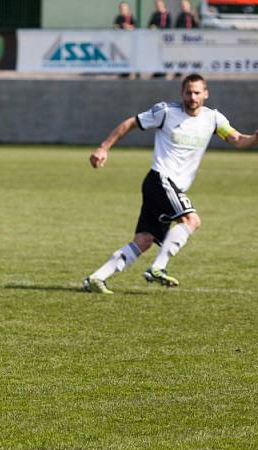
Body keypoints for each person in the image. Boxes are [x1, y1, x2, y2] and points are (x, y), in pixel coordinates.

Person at [83, 74, 257, 294]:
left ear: (206, 94)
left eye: (197, 93)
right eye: (188, 92)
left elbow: (238, 139)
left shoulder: (213, 119)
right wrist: (103, 148)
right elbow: (130, 123)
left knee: (144, 240)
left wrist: (255, 138)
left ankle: (96, 278)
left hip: (170, 186)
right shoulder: (165, 112)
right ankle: (157, 268)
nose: (192, 97)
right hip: (161, 179)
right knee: (192, 220)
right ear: (181, 93)